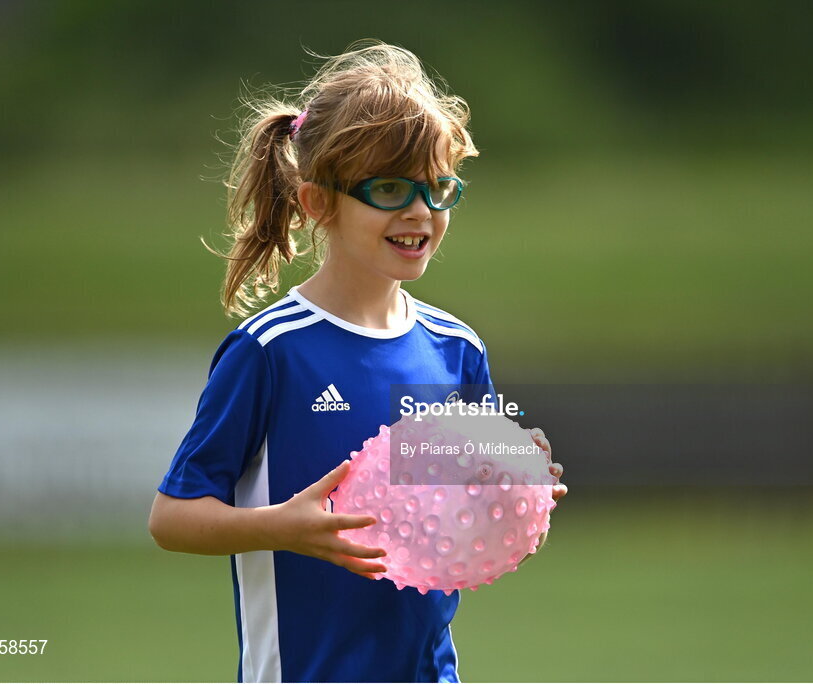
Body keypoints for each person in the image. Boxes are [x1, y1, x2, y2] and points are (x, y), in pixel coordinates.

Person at [148, 40, 567, 683]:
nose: (420, 211)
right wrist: (281, 528)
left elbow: (455, 498)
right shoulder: (271, 352)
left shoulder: (456, 350)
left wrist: (515, 488)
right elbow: (172, 518)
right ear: (318, 203)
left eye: (438, 188)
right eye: (391, 188)